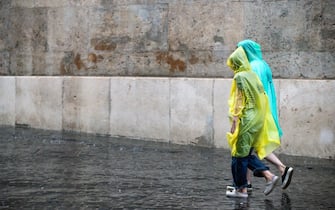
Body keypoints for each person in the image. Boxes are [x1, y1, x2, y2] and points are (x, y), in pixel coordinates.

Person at [237, 40, 294, 190]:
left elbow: (251, 92)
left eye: (240, 50)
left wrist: (243, 113)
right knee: (251, 147)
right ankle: (247, 183)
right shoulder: (263, 64)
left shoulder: (252, 67)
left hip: (254, 112)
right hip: (263, 110)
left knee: (246, 148)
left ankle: (280, 169)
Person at [226, 47, 281, 198]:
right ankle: (266, 176)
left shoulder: (240, 77)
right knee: (245, 153)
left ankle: (242, 189)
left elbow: (239, 100)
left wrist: (235, 121)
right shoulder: (252, 75)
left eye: (232, 64)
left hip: (248, 119)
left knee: (238, 154)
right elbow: (263, 96)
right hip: (258, 118)